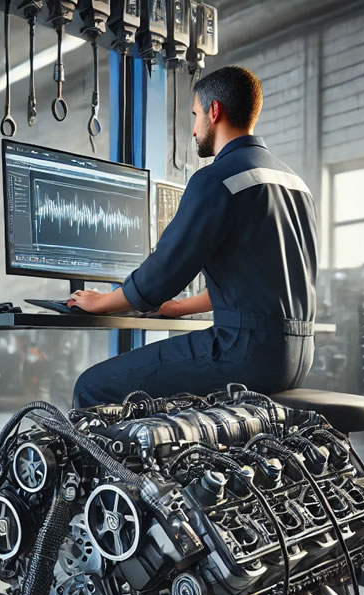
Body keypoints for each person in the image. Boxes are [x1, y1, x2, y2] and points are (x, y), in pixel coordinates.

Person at [70, 65, 318, 408]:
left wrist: (103, 301)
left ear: (214, 111)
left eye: (195, 115)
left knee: (93, 386)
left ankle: (113, 464)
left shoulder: (219, 179)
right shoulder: (294, 183)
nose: (194, 129)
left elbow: (163, 274)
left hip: (244, 352)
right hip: (298, 356)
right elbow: (257, 282)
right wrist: (181, 308)